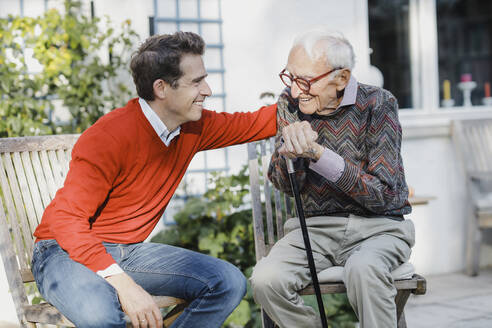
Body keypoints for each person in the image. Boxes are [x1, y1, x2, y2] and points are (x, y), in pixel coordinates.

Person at [31, 31, 277, 328]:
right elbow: (67, 222)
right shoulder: (108, 136)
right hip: (64, 251)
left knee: (227, 282)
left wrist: (311, 91)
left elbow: (256, 122)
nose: (208, 90)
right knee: (101, 316)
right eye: (196, 82)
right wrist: (124, 284)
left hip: (128, 251)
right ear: (162, 88)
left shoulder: (193, 127)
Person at [250, 28, 414, 328]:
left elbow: (383, 195)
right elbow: (285, 185)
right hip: (314, 231)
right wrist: (292, 155)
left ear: (341, 78)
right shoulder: (291, 102)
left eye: (304, 81)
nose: (296, 90)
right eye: (290, 77)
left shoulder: (378, 104)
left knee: (364, 270)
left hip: (379, 229)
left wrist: (319, 156)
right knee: (265, 280)